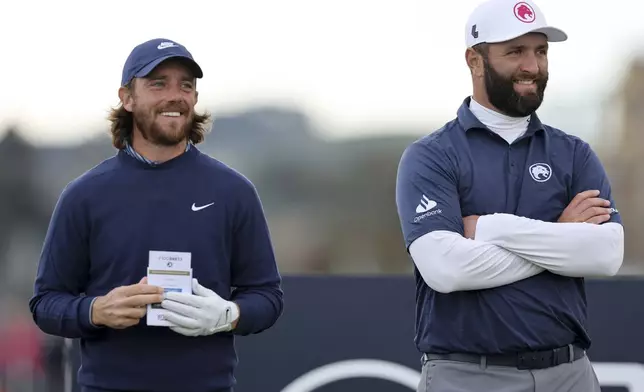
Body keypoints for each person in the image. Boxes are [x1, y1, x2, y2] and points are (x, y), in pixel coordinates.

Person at [28, 38, 284, 392]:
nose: (175, 95)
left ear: (194, 99)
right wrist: (95, 311)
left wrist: (228, 315)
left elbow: (267, 296)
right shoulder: (84, 195)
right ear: (127, 98)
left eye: (186, 85)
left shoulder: (233, 192)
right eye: (158, 83)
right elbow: (46, 303)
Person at [395, 0, 624, 391]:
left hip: (570, 373)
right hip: (467, 376)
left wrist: (492, 228)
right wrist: (561, 234)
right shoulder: (431, 155)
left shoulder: (573, 153)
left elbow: (604, 255)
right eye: (515, 51)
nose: (532, 66)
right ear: (475, 60)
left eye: (540, 51)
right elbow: (447, 270)